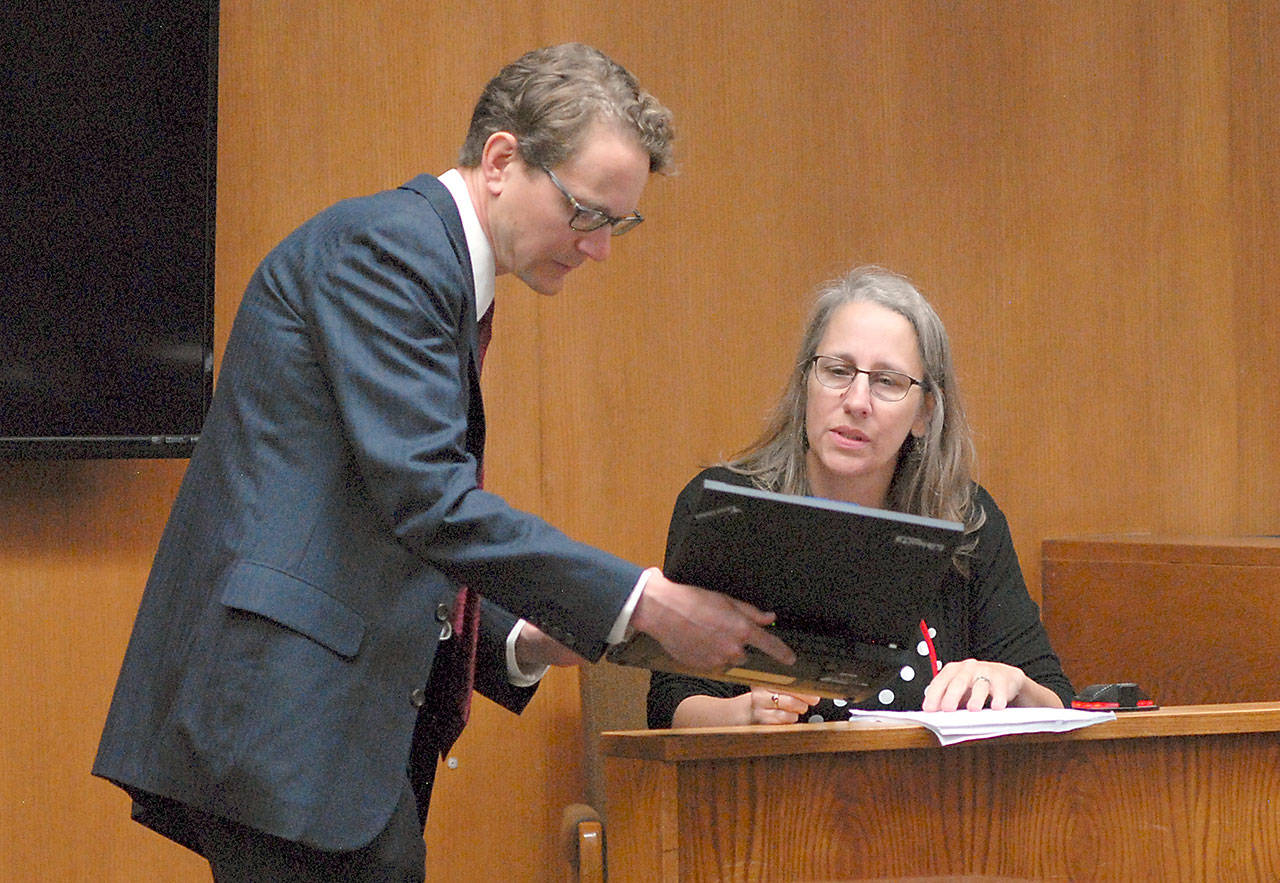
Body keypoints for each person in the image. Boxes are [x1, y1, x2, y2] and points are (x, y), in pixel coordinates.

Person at [93, 43, 791, 881]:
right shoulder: (391, 250)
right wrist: (639, 601)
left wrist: (519, 638)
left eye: (618, 223)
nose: (599, 249)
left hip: (320, 742)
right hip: (283, 723)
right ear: (502, 159)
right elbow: (428, 500)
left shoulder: (432, 266)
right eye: (587, 213)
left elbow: (366, 511)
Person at [647, 266, 1073, 729]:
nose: (857, 400)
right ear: (805, 382)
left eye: (888, 382)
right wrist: (743, 713)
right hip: (771, 794)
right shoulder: (728, 506)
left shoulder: (967, 521)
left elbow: (1056, 699)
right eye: (837, 371)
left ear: (925, 413)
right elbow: (671, 709)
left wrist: (1010, 683)